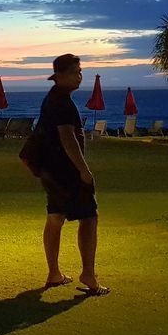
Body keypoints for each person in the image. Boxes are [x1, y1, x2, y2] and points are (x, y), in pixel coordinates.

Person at [35, 54, 108, 296]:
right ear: (62, 76)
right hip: (66, 171)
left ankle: (54, 273)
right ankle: (88, 273)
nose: (80, 76)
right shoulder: (62, 103)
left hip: (50, 170)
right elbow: (68, 139)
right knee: (89, 217)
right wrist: (84, 170)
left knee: (55, 216)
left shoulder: (52, 99)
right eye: (76, 71)